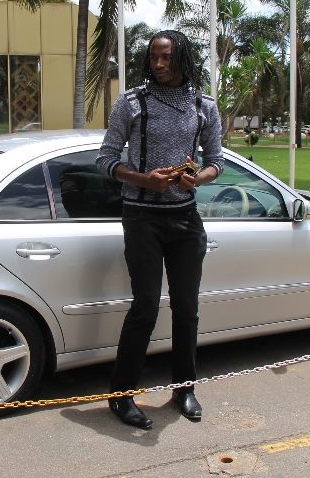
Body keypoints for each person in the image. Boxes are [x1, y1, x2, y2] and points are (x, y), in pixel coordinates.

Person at [96, 30, 224, 429]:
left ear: (183, 58)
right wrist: (142, 180)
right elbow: (105, 159)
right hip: (141, 217)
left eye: (167, 57)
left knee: (187, 308)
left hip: (185, 218)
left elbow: (216, 161)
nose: (159, 64)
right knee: (146, 306)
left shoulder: (203, 105)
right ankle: (121, 395)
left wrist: (197, 179)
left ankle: (184, 389)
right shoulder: (132, 102)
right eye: (153, 57)